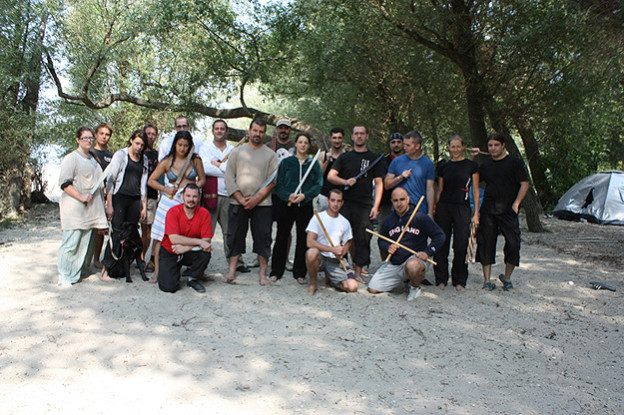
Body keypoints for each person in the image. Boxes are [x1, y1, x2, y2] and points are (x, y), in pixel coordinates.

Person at [224, 118, 279, 285]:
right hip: (237, 202)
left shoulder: (271, 155)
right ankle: (232, 271)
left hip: (262, 204)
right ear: (249, 130)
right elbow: (229, 176)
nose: (258, 134)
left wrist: (255, 199)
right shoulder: (237, 152)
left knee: (263, 237)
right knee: (235, 236)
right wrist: (240, 198)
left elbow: (272, 180)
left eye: (261, 131)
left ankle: (263, 274)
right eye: (255, 130)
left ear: (265, 133)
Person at [327, 125, 384, 282]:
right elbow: (331, 176)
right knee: (341, 237)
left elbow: (379, 183)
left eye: (362, 134)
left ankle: (358, 272)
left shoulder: (374, 158)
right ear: (352, 137)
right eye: (356, 134)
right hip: (345, 204)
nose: (359, 136)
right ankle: (341, 270)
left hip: (365, 204)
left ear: (367, 136)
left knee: (363, 238)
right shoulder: (345, 157)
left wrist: (376, 206)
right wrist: (345, 181)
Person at [474, 132, 530, 291]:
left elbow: (524, 184)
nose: (493, 148)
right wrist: (472, 158)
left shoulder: (514, 163)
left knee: (513, 243)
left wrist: (516, 203)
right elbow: (473, 177)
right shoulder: (486, 166)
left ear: (503, 145)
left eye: (496, 145)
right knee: (486, 243)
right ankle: (487, 280)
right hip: (488, 210)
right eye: (490, 145)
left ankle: (507, 278)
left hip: (508, 210)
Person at [148, 130, 206, 283]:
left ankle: (192, 269)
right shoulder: (167, 161)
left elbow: (202, 180)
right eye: (180, 145)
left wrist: (191, 190)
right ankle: (157, 271)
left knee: (188, 235)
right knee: (161, 238)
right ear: (174, 145)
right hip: (168, 202)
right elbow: (151, 180)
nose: (182, 148)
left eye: (186, 145)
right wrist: (166, 189)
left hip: (187, 202)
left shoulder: (195, 160)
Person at [368, 188, 445, 301]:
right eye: (395, 200)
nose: (399, 204)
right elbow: (381, 240)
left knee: (412, 266)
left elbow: (439, 235)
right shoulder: (389, 220)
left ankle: (414, 287)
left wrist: (428, 252)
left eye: (402, 199)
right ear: (391, 201)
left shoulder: (419, 217)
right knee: (373, 288)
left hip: (416, 259)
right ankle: (405, 280)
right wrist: (388, 247)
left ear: (408, 199)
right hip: (395, 262)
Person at [269, 132, 323, 284]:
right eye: (300, 142)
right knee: (281, 237)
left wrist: (305, 196)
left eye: (306, 142)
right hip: (287, 205)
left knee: (303, 238)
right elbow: (279, 184)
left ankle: (300, 272)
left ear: (309, 145)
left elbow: (318, 185)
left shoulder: (313, 164)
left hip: (304, 206)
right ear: (296, 144)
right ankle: (276, 271)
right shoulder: (287, 162)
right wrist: (288, 196)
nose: (303, 145)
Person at [57, 126, 107, 286]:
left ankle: (81, 272)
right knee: (72, 244)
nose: (89, 141)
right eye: (85, 138)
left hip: (92, 211)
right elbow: (64, 183)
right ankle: (65, 276)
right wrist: (80, 196)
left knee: (88, 243)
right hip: (75, 210)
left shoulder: (93, 159)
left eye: (91, 138)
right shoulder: (71, 158)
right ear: (78, 139)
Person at [199, 119, 250, 273]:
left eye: (222, 129)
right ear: (213, 131)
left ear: (226, 131)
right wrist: (223, 167)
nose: (219, 131)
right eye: (217, 128)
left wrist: (217, 164)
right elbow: (205, 168)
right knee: (206, 231)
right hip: (210, 195)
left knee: (231, 231)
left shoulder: (234, 149)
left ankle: (236, 262)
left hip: (229, 195)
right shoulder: (205, 148)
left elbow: (234, 170)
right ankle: (200, 263)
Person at [100, 129, 148, 282]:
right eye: (137, 143)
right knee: (116, 234)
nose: (139, 147)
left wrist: (144, 206)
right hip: (120, 198)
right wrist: (109, 203)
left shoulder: (143, 159)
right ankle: (105, 270)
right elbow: (111, 179)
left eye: (142, 145)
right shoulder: (121, 155)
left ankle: (122, 268)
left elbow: (143, 184)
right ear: (131, 140)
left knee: (130, 236)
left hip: (134, 200)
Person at [433, 136, 480, 291]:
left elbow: (475, 190)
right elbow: (439, 189)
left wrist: (476, 213)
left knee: (460, 244)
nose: (455, 150)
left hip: (463, 207)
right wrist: (435, 208)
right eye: (452, 147)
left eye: (458, 146)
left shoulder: (471, 165)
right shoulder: (444, 167)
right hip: (444, 207)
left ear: (463, 147)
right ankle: (441, 279)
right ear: (449, 148)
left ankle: (459, 280)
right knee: (441, 243)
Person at [158, 184, 213, 293]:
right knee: (169, 287)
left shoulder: (204, 213)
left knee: (205, 252)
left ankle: (193, 278)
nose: (191, 199)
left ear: (199, 197)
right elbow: (174, 239)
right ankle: (174, 270)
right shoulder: (172, 212)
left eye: (194, 196)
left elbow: (206, 241)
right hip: (171, 250)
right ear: (182, 196)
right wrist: (198, 242)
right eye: (188, 196)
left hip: (187, 251)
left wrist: (186, 248)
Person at [305, 189, 357, 295]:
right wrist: (332, 249)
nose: (336, 204)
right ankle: (313, 284)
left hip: (334, 260)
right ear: (328, 201)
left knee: (352, 287)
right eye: (333, 200)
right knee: (311, 252)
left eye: (339, 201)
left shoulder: (345, 222)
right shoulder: (318, 217)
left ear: (342, 203)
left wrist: (343, 252)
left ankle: (331, 279)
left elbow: (349, 241)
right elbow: (309, 242)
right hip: (320, 257)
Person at [384, 131, 435, 218]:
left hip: (419, 210)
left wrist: (430, 212)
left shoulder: (428, 163)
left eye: (408, 145)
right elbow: (387, 185)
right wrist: (400, 177)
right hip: (399, 211)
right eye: (404, 145)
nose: (404, 148)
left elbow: (430, 189)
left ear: (417, 146)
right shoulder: (396, 161)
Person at [90, 122, 114, 269]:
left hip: (106, 196)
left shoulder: (112, 156)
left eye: (107, 135)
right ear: (95, 135)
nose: (104, 137)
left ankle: (96, 259)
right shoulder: (90, 153)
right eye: (101, 134)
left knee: (100, 229)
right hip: (91, 195)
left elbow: (112, 178)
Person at [141, 123, 160, 272]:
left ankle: (144, 259)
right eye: (148, 133)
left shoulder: (157, 155)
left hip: (152, 197)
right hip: (135, 196)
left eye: (154, 134)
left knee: (148, 229)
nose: (151, 136)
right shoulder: (137, 152)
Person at [315, 127, 346, 212]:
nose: (337, 141)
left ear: (343, 139)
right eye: (334, 138)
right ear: (330, 139)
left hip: (341, 197)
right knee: (322, 223)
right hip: (324, 196)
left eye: (339, 138)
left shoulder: (347, 156)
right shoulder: (323, 155)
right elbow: (319, 175)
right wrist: (327, 161)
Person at [379, 132, 405, 225]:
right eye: (393, 142)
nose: (396, 144)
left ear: (403, 144)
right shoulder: (383, 161)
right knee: (385, 229)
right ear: (390, 144)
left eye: (399, 142)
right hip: (387, 202)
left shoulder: (409, 160)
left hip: (406, 201)